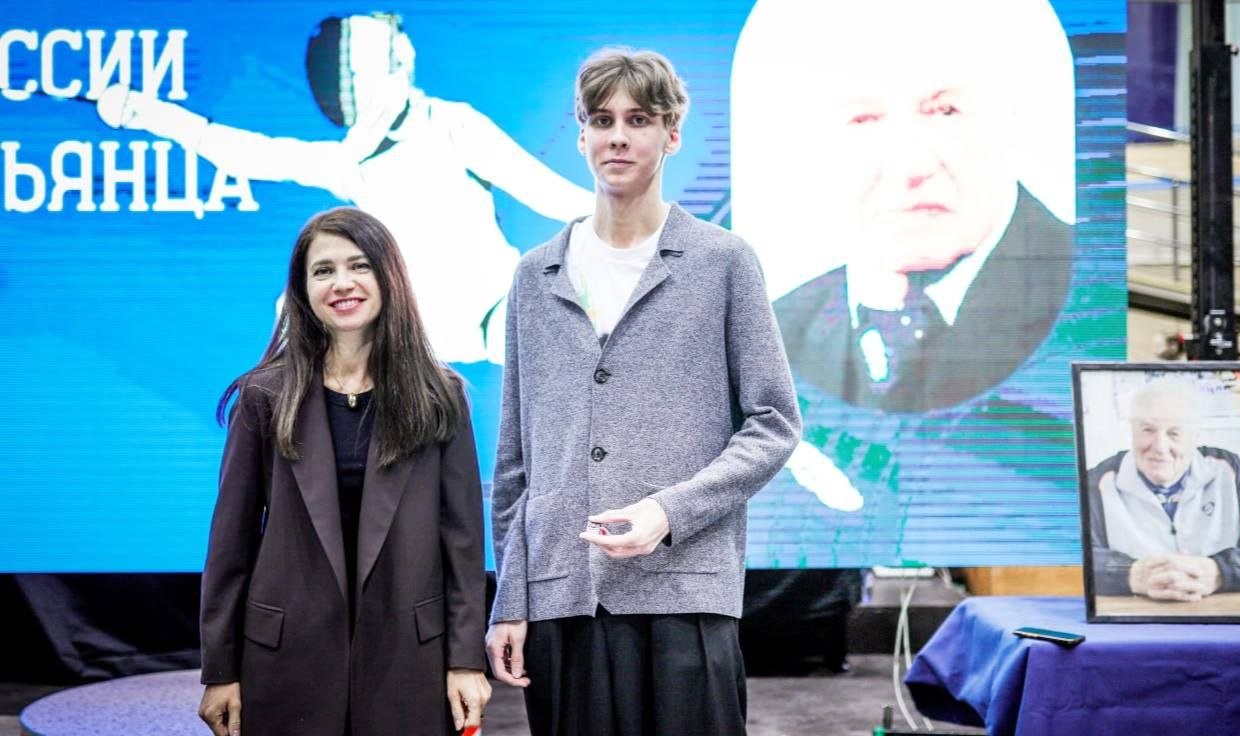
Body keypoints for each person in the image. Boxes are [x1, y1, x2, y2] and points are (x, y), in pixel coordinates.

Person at [485, 49, 800, 735]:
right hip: (564, 598)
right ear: (581, 136)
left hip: (685, 592)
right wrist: (510, 598)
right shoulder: (535, 276)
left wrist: (668, 511)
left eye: (638, 119)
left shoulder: (722, 261)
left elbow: (775, 421)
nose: (618, 137)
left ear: (671, 133)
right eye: (602, 120)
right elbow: (514, 462)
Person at [95, 12, 593, 365]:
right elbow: (251, 154)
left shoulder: (449, 124)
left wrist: (625, 222)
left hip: (499, 315)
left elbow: (541, 189)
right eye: (361, 67)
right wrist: (148, 113)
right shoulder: (350, 164)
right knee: (293, 308)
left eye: (387, 55)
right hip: (418, 346)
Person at [197, 207, 489, 735]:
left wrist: (466, 661)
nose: (342, 283)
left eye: (359, 266)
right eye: (323, 270)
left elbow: (463, 543)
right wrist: (220, 670)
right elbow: (230, 545)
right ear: (302, 289)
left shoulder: (439, 397)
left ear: (388, 276)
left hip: (410, 660)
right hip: (285, 661)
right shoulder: (264, 396)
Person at [731, 0, 1076, 414]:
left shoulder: (1087, 294)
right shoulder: (777, 332)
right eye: (864, 119)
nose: (909, 167)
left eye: (945, 111)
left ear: (1010, 119)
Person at [1087, 379, 1240, 601]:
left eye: (1174, 433)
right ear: (1132, 431)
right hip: (1133, 614)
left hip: (1223, 611)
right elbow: (1080, 559)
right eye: (1147, 430)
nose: (1160, 447)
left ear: (1194, 436)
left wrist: (1218, 571)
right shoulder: (1098, 481)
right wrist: (1131, 573)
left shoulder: (1229, 470)